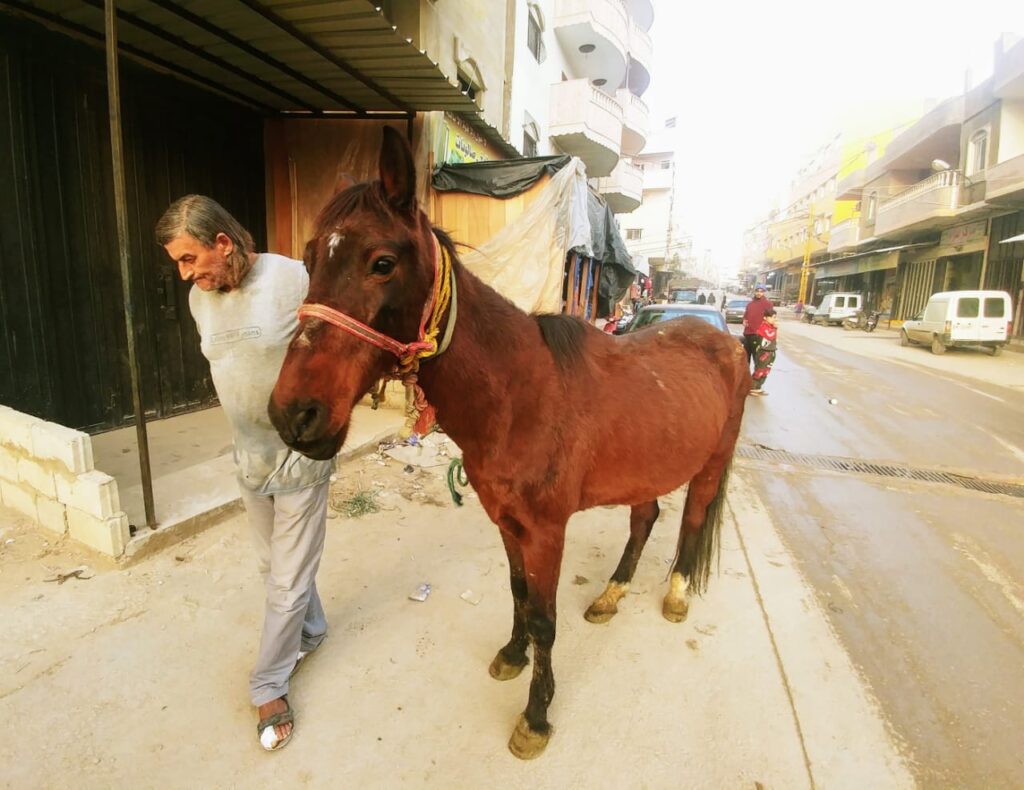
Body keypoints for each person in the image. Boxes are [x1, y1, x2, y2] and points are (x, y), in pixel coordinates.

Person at [156, 195, 334, 752]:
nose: (186, 274)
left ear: (223, 244)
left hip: (301, 451)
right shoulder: (199, 301)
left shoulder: (292, 280)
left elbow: (343, 335)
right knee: (273, 566)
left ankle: (269, 684)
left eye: (190, 259)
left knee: (284, 578)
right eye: (179, 264)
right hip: (249, 456)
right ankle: (313, 630)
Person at [742, 284, 774, 369]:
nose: (759, 293)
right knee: (745, 359)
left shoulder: (768, 304)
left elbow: (771, 319)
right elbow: (746, 316)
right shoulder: (750, 304)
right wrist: (744, 320)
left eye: (761, 291)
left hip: (759, 336)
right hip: (748, 334)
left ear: (764, 292)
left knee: (758, 359)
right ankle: (746, 378)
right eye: (757, 291)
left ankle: (756, 379)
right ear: (755, 291)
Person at [749, 309, 778, 395]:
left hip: (771, 352)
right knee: (759, 370)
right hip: (764, 353)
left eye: (775, 318)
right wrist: (775, 328)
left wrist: (774, 328)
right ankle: (752, 387)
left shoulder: (772, 327)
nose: (774, 319)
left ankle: (758, 387)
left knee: (766, 371)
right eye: (772, 317)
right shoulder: (763, 327)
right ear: (765, 318)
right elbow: (770, 336)